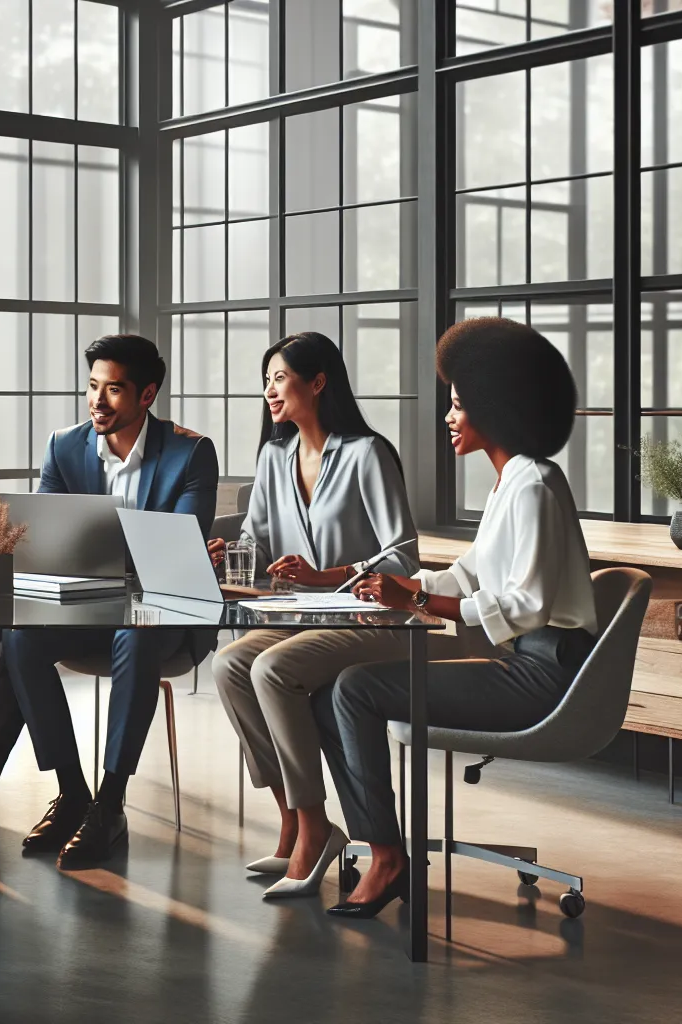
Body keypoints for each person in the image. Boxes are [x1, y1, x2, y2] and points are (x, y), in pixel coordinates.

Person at [322, 317, 598, 918]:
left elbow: (524, 607)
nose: (447, 418)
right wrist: (404, 585)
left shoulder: (533, 487)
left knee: (353, 690)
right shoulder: (511, 483)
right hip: (523, 661)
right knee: (337, 690)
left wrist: (415, 602)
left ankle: (387, 855)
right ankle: (382, 843)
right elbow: (468, 575)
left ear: (492, 408)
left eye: (456, 406)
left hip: (544, 674)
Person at [0, 334, 219, 869]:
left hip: (166, 616)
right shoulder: (64, 445)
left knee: (137, 632)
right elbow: (48, 543)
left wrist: (105, 548)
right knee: (20, 640)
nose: (97, 401)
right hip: (83, 608)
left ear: (147, 394)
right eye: (92, 387)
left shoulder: (190, 452)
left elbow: (181, 544)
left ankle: (108, 804)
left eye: (113, 390)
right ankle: (71, 793)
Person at [209, 332, 419, 899]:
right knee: (228, 666)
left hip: (366, 620)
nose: (269, 390)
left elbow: (402, 556)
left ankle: (311, 826)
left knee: (270, 670)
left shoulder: (366, 454)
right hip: (300, 615)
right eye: (267, 380)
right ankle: (299, 818)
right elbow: (256, 537)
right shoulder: (273, 457)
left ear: (318, 382)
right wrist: (227, 551)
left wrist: (328, 576)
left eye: (279, 378)